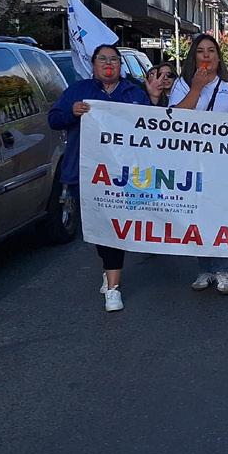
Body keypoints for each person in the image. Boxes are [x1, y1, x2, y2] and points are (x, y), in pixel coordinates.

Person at [47, 43, 149, 313]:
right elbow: (54, 119)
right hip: (88, 173)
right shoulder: (79, 91)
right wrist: (71, 112)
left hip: (125, 174)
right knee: (99, 226)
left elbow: (151, 128)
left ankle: (113, 286)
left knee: (117, 225)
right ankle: (108, 267)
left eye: (113, 59)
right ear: (93, 65)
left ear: (120, 65)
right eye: (102, 59)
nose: (108, 63)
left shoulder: (133, 93)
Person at [169, 33, 228, 294]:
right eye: (201, 51)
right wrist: (196, 89)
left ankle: (222, 269)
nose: (206, 55)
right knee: (198, 216)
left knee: (221, 215)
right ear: (194, 56)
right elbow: (174, 118)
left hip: (223, 165)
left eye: (211, 50)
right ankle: (204, 269)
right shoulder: (182, 84)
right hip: (191, 163)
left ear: (218, 57)